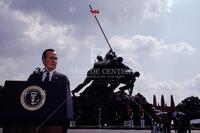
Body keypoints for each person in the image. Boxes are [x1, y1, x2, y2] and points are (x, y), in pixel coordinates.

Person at [4, 49, 73, 133]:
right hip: (33, 122)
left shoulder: (63, 78)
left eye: (56, 58)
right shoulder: (33, 77)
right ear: (43, 60)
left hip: (55, 123)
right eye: (51, 58)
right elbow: (26, 97)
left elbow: (67, 102)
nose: (54, 61)